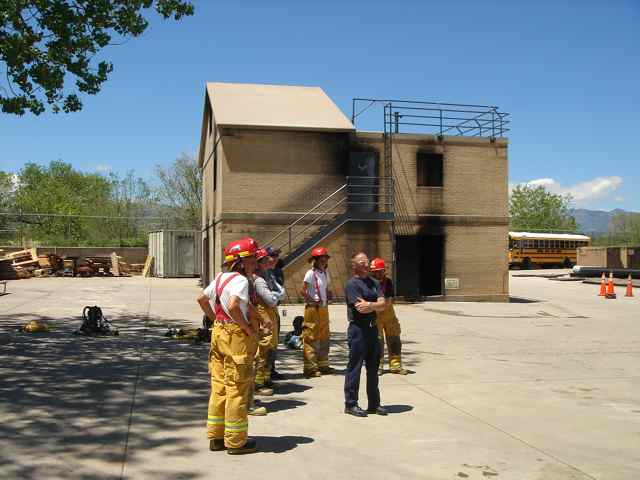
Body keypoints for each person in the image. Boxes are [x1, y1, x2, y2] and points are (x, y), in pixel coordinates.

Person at [197, 237, 260, 454]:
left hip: (219, 333)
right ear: (241, 262)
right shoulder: (241, 281)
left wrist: (215, 319)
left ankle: (216, 437)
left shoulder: (221, 278)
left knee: (220, 386)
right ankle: (235, 442)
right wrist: (247, 329)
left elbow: (202, 300)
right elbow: (234, 306)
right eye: (252, 259)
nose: (255, 264)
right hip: (235, 338)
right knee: (237, 389)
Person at [343, 252, 388, 417]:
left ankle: (374, 404)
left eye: (367, 261)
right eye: (362, 262)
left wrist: (370, 304)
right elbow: (359, 308)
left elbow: (383, 304)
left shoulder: (375, 282)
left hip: (372, 328)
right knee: (355, 367)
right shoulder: (352, 285)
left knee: (373, 368)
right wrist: (375, 305)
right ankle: (351, 403)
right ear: (354, 265)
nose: (366, 264)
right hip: (358, 330)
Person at [253, 248, 285, 396]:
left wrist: (276, 296)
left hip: (270, 313)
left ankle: (265, 378)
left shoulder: (268, 275)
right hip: (264, 312)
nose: (269, 261)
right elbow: (270, 300)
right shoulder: (259, 279)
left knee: (271, 345)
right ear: (258, 263)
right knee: (264, 347)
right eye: (265, 260)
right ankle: (258, 383)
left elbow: (276, 295)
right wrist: (276, 296)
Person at [299, 246, 334, 378]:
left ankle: (323, 364)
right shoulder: (310, 273)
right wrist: (312, 300)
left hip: (324, 308)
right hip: (312, 309)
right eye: (321, 258)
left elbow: (326, 288)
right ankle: (310, 367)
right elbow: (302, 291)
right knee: (311, 337)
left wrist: (328, 295)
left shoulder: (325, 273)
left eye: (325, 258)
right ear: (315, 260)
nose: (323, 260)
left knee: (324, 336)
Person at [370, 258, 408, 375]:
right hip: (375, 315)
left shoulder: (388, 282)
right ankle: (378, 366)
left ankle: (395, 364)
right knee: (377, 340)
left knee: (394, 338)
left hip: (389, 314)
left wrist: (381, 305)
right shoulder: (369, 283)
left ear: (384, 271)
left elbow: (389, 299)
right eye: (376, 272)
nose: (379, 274)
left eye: (380, 271)